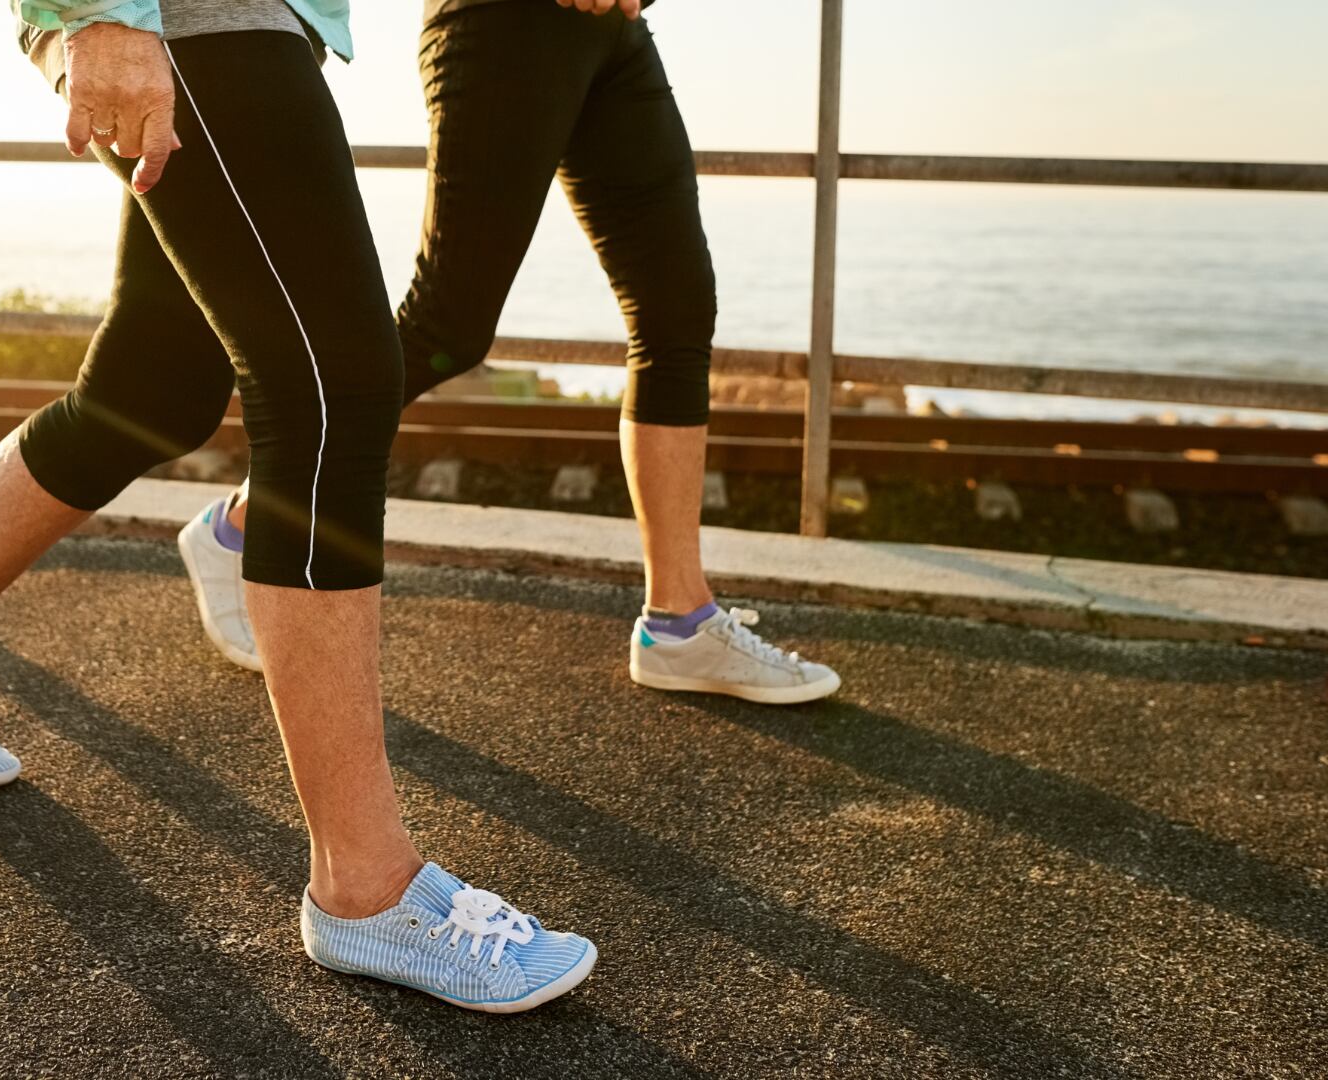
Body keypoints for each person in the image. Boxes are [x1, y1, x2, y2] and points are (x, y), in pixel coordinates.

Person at [0, 0, 594, 1013]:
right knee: (333, 389)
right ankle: (364, 887)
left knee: (149, 391)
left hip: (228, 21)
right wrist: (96, 15)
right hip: (186, 17)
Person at [181, 0, 844, 706]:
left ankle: (679, 623)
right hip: (499, 22)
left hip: (615, 33)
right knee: (447, 326)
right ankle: (242, 525)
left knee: (677, 312)